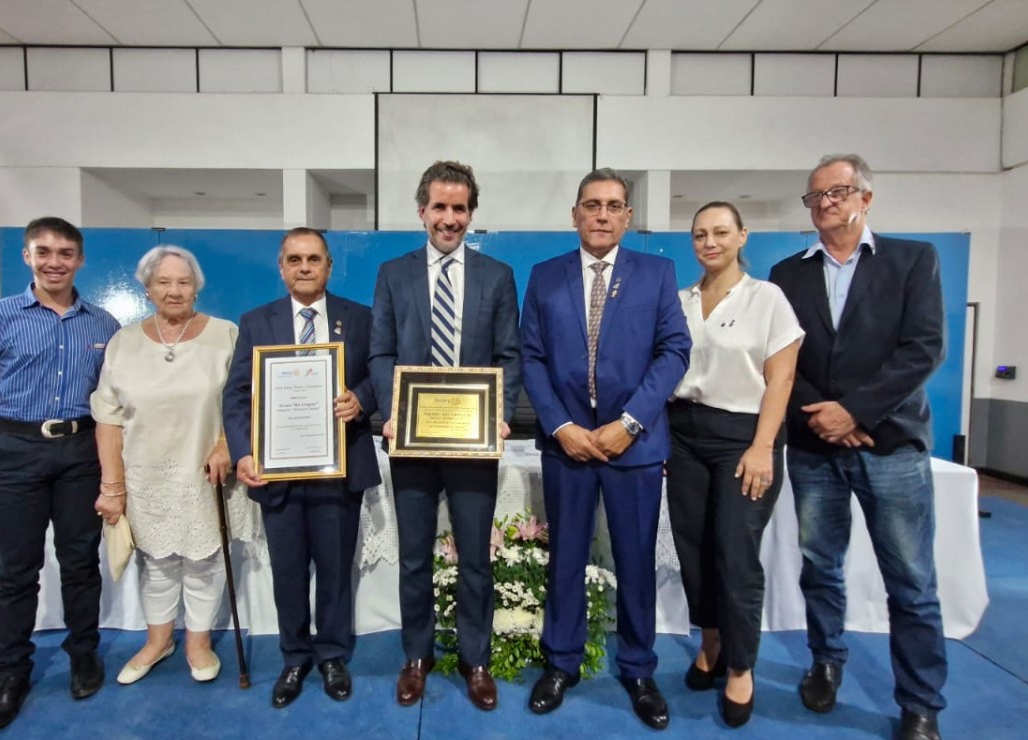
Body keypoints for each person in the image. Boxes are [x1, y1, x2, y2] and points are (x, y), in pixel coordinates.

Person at [768, 154, 948, 740]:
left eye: (838, 191)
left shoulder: (912, 260)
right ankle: (826, 661)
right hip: (816, 446)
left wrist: (858, 412)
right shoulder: (786, 274)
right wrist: (827, 417)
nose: (826, 203)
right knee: (821, 566)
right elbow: (781, 360)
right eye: (815, 195)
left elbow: (923, 349)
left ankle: (920, 703)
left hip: (891, 445)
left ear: (865, 199)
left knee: (912, 583)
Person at [519, 168, 690, 730]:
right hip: (566, 444)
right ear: (574, 215)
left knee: (635, 560)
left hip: (632, 448)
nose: (602, 215)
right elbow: (532, 358)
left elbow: (673, 351)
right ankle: (561, 663)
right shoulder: (544, 278)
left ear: (628, 217)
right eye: (591, 205)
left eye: (614, 205)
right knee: (566, 556)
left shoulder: (657, 274)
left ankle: (638, 668)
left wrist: (631, 422)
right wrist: (560, 424)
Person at [0, 216, 122, 733]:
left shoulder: (103, 324)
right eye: (44, 251)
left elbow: (113, 394)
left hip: (80, 451)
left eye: (66, 252)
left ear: (80, 260)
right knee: (16, 569)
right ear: (28, 256)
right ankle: (11, 673)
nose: (55, 261)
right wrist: (15, 428)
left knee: (79, 561)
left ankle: (83, 654)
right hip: (14, 452)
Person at [369, 160, 522, 711]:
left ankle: (475, 659)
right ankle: (417, 656)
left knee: (475, 558)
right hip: (408, 439)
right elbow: (381, 351)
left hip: (472, 443)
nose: (450, 218)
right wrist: (390, 411)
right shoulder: (393, 273)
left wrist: (501, 413)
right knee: (414, 556)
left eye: (460, 208)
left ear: (471, 214)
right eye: (440, 207)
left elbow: (508, 355)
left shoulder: (497, 277)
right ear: (422, 211)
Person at [223, 227, 380, 709]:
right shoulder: (256, 321)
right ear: (282, 267)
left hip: (340, 466)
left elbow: (380, 373)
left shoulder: (360, 318)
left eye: (314, 259)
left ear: (329, 266)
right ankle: (294, 656)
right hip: (277, 473)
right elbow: (237, 395)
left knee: (334, 569)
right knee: (288, 571)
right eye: (295, 259)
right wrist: (244, 452)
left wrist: (361, 400)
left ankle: (332, 654)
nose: (305, 267)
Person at [665, 202, 803, 728]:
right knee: (694, 549)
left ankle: (741, 666)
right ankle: (712, 643)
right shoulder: (680, 301)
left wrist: (763, 445)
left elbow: (782, 380)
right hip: (683, 435)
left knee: (736, 553)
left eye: (721, 232)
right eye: (700, 234)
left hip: (743, 437)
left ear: (743, 236)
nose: (709, 242)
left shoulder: (768, 299)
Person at [90, 245, 250, 686]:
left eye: (183, 282)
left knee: (204, 562)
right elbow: (108, 417)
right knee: (156, 563)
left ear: (196, 287)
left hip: (207, 470)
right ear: (146, 289)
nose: (174, 291)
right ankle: (158, 640)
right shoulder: (123, 343)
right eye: (164, 282)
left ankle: (198, 642)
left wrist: (225, 444)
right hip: (146, 474)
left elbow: (243, 400)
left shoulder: (225, 335)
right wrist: (112, 484)